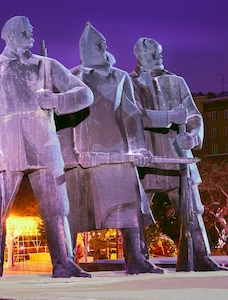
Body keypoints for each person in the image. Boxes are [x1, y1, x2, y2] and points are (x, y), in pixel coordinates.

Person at [0, 16, 93, 279]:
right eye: (25, 29)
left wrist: (57, 100)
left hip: (44, 145)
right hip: (7, 148)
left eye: (30, 29)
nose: (31, 32)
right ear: (10, 35)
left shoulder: (47, 66)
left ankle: (63, 261)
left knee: (57, 206)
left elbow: (85, 94)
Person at [59, 22, 162, 274]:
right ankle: (67, 259)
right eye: (98, 45)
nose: (103, 48)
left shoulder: (120, 77)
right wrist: (68, 156)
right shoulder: (72, 78)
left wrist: (138, 148)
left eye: (104, 44)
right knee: (76, 210)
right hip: (83, 155)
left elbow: (130, 114)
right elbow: (62, 119)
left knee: (127, 207)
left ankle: (135, 257)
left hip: (117, 153)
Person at [130, 37, 227, 271]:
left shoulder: (177, 82)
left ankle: (198, 256)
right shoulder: (128, 83)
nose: (158, 57)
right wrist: (169, 118)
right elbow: (133, 115)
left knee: (192, 208)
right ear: (140, 56)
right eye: (153, 53)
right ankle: (137, 259)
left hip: (178, 155)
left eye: (159, 52)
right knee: (135, 211)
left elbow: (194, 115)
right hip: (147, 157)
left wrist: (193, 136)